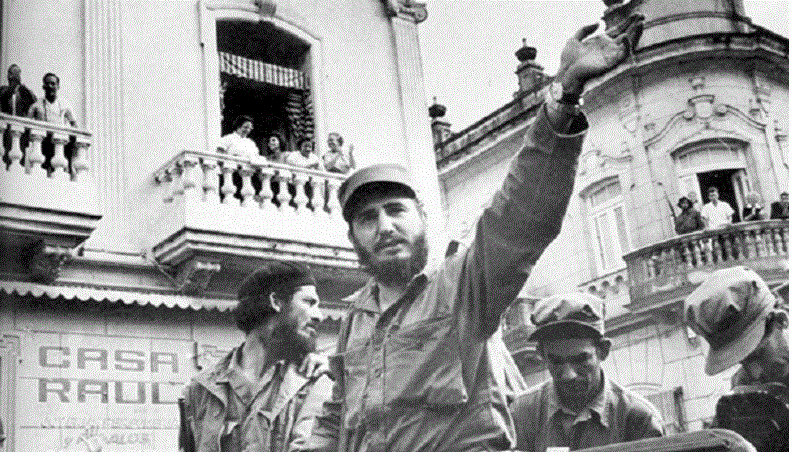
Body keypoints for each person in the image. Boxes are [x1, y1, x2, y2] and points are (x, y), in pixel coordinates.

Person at [306, 14, 644, 452]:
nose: (385, 226)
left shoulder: (461, 287)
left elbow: (519, 217)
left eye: (396, 211)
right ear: (353, 237)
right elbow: (338, 413)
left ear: (422, 219)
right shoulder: (356, 317)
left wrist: (564, 95)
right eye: (368, 219)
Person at [179, 263, 332, 452]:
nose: (319, 316)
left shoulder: (313, 382)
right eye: (309, 302)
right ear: (276, 301)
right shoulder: (200, 390)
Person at [511, 293, 664, 451]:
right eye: (556, 362)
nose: (569, 375)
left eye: (580, 359)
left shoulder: (637, 418)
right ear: (541, 355)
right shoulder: (523, 414)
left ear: (603, 350)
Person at [685, 266, 789, 387]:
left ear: (780, 320)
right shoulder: (743, 384)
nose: (755, 373)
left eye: (757, 354)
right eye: (741, 360)